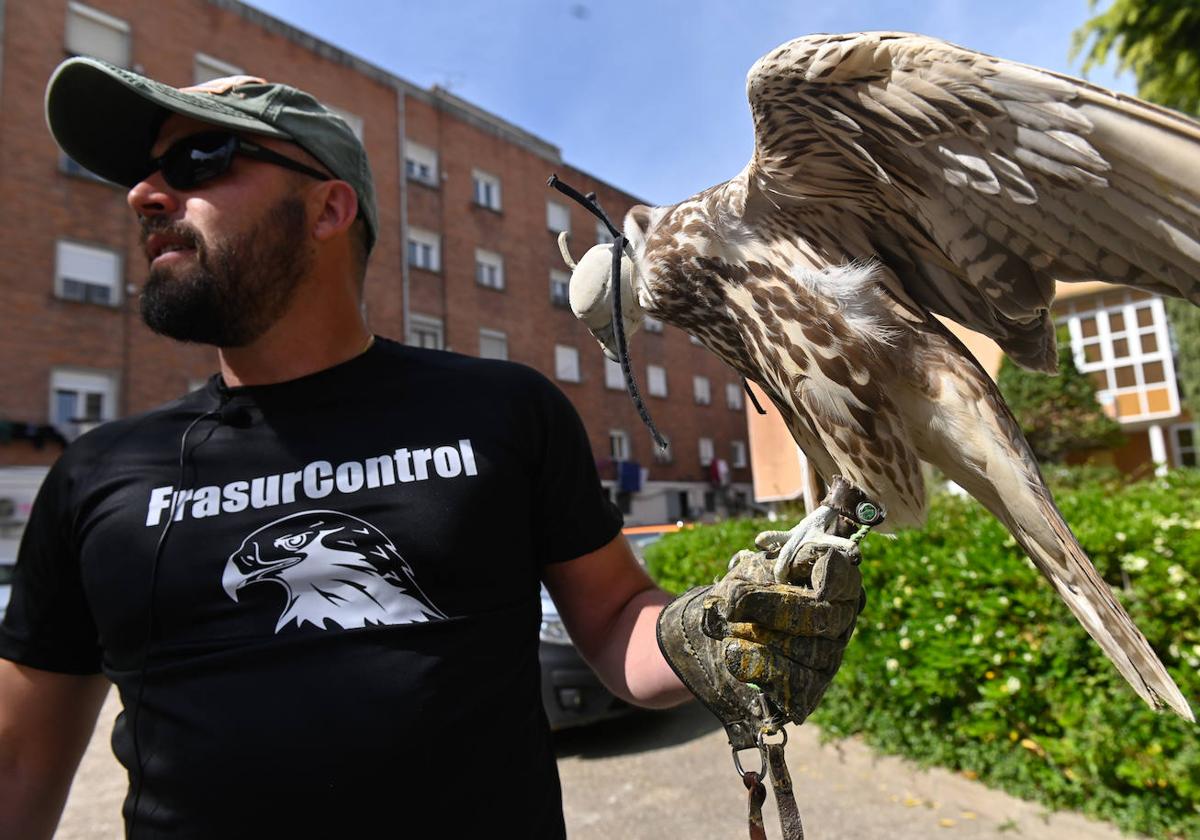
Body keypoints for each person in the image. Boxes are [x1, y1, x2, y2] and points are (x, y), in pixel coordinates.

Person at [0, 58, 862, 840]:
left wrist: (701, 635)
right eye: (146, 172)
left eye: (196, 162)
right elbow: (19, 763)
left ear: (329, 207)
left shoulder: (504, 409)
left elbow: (608, 620)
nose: (142, 195)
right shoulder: (94, 474)